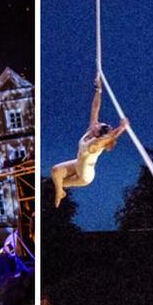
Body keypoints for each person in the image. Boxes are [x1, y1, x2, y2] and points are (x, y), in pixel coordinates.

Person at [51, 76, 130, 207]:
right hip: (77, 163)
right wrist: (98, 90)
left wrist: (122, 127)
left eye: (98, 125)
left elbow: (109, 138)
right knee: (55, 172)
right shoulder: (91, 129)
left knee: (62, 182)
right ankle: (60, 192)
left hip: (84, 176)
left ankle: (60, 192)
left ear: (98, 134)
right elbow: (95, 108)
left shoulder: (94, 145)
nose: (96, 123)